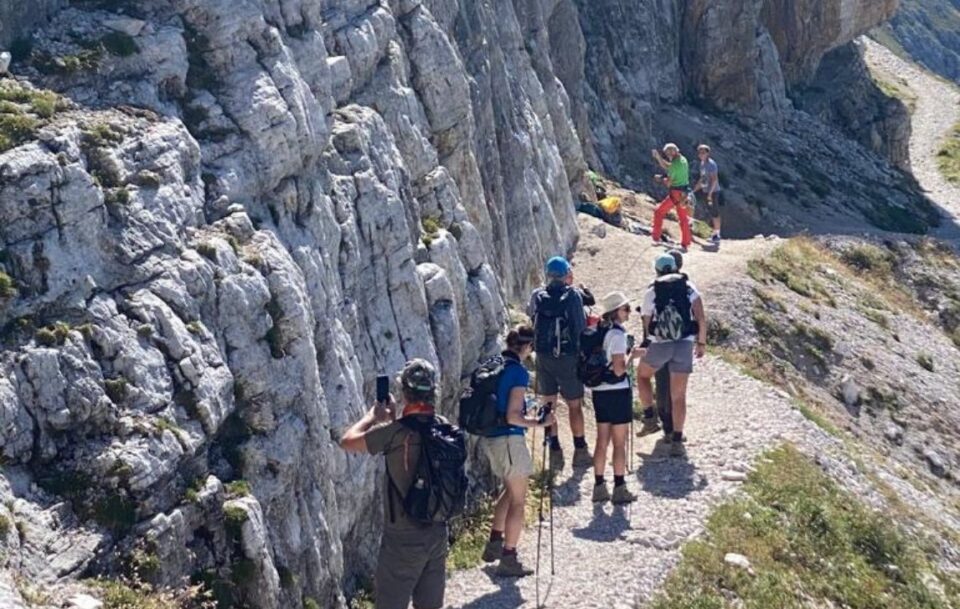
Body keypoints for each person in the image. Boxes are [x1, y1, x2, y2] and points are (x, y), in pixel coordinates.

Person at [339, 360, 453, 609]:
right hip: (437, 531)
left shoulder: (393, 433)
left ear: (404, 392)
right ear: (433, 390)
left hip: (402, 537)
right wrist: (393, 420)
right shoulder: (444, 427)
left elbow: (348, 441)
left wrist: (372, 417)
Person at [481, 326, 557, 576]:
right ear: (527, 347)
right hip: (509, 440)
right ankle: (509, 557)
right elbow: (513, 416)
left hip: (490, 439)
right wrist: (539, 423)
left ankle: (494, 542)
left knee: (509, 490)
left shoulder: (493, 365)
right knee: (519, 500)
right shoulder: (518, 373)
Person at [635, 254, 707, 457]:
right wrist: (701, 343)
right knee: (679, 396)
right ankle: (677, 440)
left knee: (642, 375)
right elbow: (701, 317)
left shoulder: (652, 290)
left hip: (661, 344)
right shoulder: (688, 287)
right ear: (676, 267)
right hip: (684, 343)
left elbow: (647, 322)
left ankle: (649, 417)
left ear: (656, 270)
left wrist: (647, 345)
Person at [527, 256, 591, 471]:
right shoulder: (572, 296)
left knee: (548, 404)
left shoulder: (538, 295)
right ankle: (580, 449)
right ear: (565, 275)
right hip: (567, 358)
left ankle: (554, 450)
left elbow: (531, 319)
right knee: (574, 405)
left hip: (544, 356)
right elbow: (580, 328)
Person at [590, 292, 642, 504]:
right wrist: (633, 356)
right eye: (625, 309)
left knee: (602, 439)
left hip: (599, 390)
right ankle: (619, 488)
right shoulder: (618, 335)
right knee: (619, 442)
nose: (628, 312)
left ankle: (599, 486)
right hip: (617, 391)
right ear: (616, 312)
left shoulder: (597, 331)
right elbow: (620, 370)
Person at [651, 143, 692, 251]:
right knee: (683, 218)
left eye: (668, 153)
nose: (667, 155)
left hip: (675, 194)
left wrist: (661, 179)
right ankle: (686, 243)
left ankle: (656, 237)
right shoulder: (683, 160)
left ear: (673, 152)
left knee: (659, 212)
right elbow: (668, 166)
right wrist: (658, 157)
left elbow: (669, 183)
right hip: (684, 193)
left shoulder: (675, 165)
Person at [692, 144, 722, 245]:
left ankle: (717, 234)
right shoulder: (702, 164)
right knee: (711, 212)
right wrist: (695, 190)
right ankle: (714, 233)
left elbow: (714, 179)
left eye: (703, 152)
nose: (701, 154)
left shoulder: (711, 164)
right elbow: (703, 179)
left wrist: (710, 193)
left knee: (715, 212)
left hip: (713, 192)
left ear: (708, 153)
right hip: (706, 191)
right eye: (699, 152)